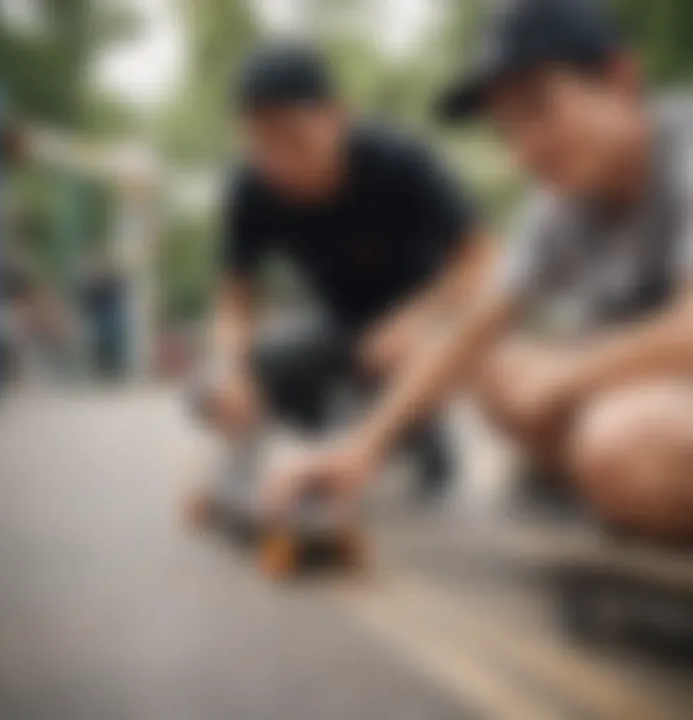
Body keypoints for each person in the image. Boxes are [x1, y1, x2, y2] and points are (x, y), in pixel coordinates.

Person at [265, 0, 693, 543]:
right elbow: (473, 326)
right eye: (508, 129)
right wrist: (359, 450)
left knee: (618, 444)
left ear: (620, 80)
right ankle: (615, 483)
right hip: (657, 395)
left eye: (539, 109)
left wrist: (569, 372)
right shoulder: (563, 203)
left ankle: (619, 476)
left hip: (655, 400)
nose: (526, 151)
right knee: (491, 366)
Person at [185, 44, 491, 519]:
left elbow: (484, 262)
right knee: (208, 386)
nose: (280, 161)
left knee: (401, 353)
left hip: (420, 320)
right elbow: (234, 300)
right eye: (260, 142)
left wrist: (422, 317)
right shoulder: (250, 186)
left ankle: (417, 430)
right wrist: (232, 371)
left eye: (293, 138)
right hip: (338, 323)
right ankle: (322, 436)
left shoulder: (399, 159)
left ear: (338, 117)